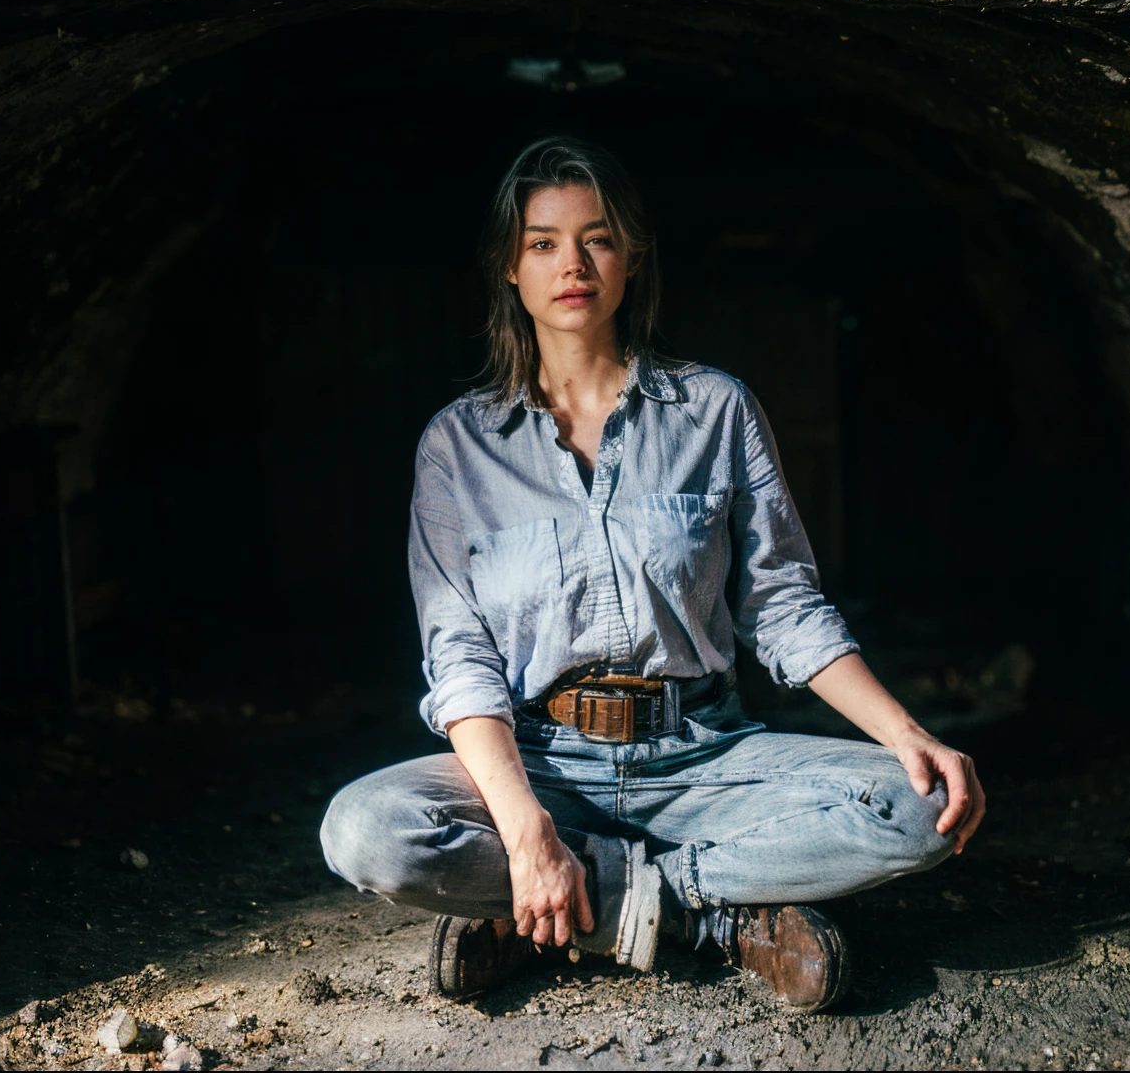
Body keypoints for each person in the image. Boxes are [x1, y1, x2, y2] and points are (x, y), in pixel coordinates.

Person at [321, 136, 985, 1012]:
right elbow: (460, 659)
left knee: (913, 804)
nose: (574, 263)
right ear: (509, 271)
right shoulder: (457, 446)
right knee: (366, 830)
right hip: (541, 763)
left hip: (705, 760)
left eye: (597, 238)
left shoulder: (716, 409)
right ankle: (705, 913)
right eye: (544, 242)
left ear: (631, 258)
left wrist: (909, 735)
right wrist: (526, 833)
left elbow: (783, 607)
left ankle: (571, 909)